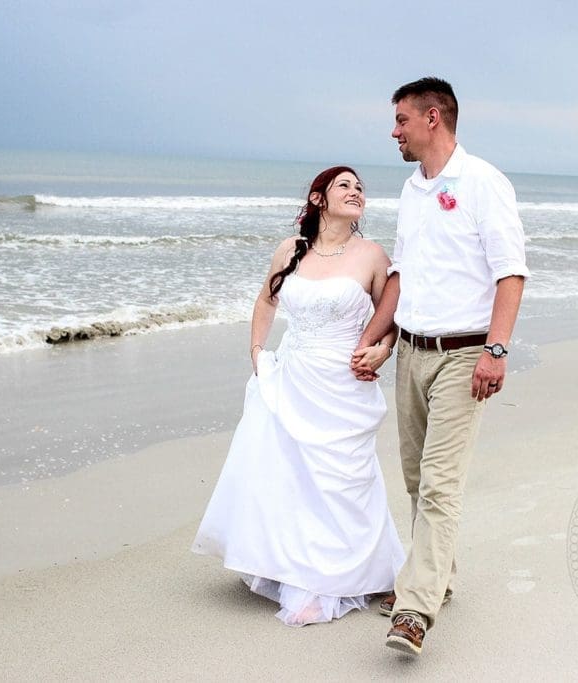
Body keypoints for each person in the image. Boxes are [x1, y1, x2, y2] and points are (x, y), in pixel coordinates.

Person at [351, 77, 529, 655]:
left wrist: (496, 351)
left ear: (433, 118)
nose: (393, 131)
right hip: (412, 352)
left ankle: (416, 608)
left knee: (439, 486)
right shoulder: (411, 190)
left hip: (464, 355)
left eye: (401, 119)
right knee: (414, 478)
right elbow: (400, 275)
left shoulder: (483, 182)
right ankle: (439, 579)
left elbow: (510, 272)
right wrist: (371, 338)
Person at [191, 166, 405, 627]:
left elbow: (393, 318)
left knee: (343, 480)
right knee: (289, 476)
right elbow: (267, 300)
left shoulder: (371, 255)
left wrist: (382, 351)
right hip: (291, 375)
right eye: (344, 185)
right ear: (318, 198)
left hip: (343, 384)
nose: (356, 192)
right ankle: (292, 566)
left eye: (360, 187)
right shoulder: (291, 250)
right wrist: (257, 352)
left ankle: (347, 574)